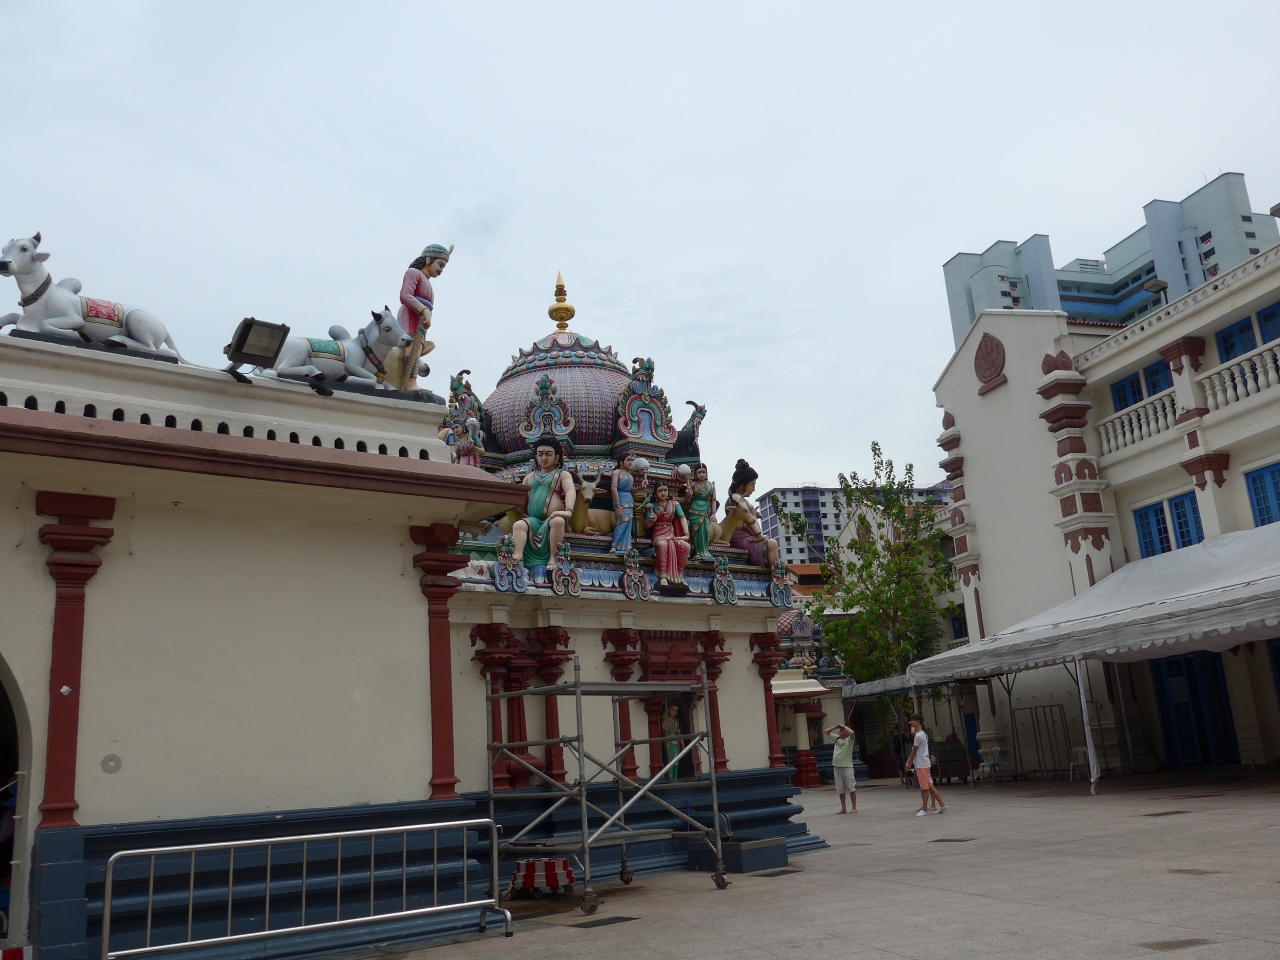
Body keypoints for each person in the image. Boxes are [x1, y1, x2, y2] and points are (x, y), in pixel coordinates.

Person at [511, 437, 575, 570]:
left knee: (558, 522)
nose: (544, 458)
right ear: (536, 457)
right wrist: (514, 496)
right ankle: (517, 558)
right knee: (519, 525)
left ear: (556, 458)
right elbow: (522, 506)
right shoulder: (529, 478)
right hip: (533, 520)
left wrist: (568, 511)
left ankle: (553, 557)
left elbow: (570, 491)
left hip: (552, 518)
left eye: (548, 454)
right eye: (540, 454)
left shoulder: (562, 474)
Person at [725, 460, 779, 568]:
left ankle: (777, 574)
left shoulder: (740, 499)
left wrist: (753, 515)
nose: (754, 489)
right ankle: (777, 575)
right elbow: (739, 524)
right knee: (772, 544)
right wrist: (757, 534)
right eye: (752, 485)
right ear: (742, 486)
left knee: (771, 543)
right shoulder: (735, 498)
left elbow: (744, 516)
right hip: (740, 538)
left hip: (748, 537)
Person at [645, 481, 691, 584]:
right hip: (658, 535)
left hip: (671, 535)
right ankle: (663, 575)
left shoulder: (674, 504)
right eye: (660, 491)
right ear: (655, 494)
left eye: (665, 490)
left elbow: (682, 517)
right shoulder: (652, 506)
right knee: (662, 545)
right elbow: (646, 525)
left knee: (686, 547)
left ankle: (679, 574)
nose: (663, 493)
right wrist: (651, 521)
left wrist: (686, 535)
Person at [904, 713, 947, 816]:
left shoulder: (918, 736)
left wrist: (909, 762)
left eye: (913, 720)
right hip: (924, 763)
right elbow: (913, 733)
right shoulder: (923, 734)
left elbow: (914, 751)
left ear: (918, 722)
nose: (911, 722)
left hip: (921, 765)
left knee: (924, 787)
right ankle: (942, 805)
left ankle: (924, 809)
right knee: (930, 785)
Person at [684, 462, 717, 561]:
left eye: (703, 472)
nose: (702, 474)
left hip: (706, 511)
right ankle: (698, 552)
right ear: (695, 474)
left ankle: (705, 551)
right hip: (695, 511)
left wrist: (713, 513)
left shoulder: (711, 485)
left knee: (706, 531)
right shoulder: (693, 485)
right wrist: (689, 495)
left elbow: (713, 500)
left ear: (707, 473)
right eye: (699, 472)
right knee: (697, 532)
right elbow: (687, 501)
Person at [825, 721, 858, 814]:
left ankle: (854, 807)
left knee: (851, 787)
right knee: (840, 788)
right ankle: (843, 807)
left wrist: (844, 726)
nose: (840, 730)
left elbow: (852, 733)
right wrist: (835, 727)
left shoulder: (849, 740)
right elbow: (826, 732)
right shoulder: (837, 739)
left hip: (847, 767)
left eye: (842, 730)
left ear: (846, 732)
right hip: (837, 766)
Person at [610, 453, 637, 555]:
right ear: (621, 462)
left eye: (632, 460)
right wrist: (617, 505)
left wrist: (641, 488)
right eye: (628, 460)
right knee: (622, 523)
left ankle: (625, 548)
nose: (631, 462)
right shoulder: (617, 472)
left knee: (628, 524)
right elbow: (614, 488)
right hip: (620, 500)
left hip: (629, 501)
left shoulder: (630, 475)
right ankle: (614, 546)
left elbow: (631, 491)